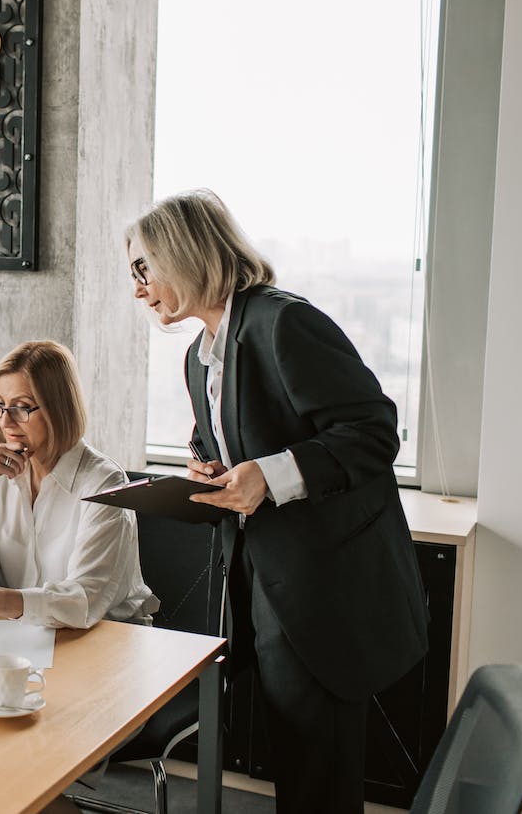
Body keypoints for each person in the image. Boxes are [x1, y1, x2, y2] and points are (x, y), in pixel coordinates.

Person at [125, 189, 427, 813]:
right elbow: (229, 430)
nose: (138, 289)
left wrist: (268, 474)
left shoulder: (284, 321)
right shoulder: (197, 355)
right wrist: (204, 463)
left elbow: (373, 431)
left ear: (180, 254)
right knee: (297, 757)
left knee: (320, 771)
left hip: (324, 588)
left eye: (141, 268)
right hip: (261, 581)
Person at [0, 341, 157, 629]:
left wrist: (2, 602)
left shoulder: (104, 483)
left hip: (104, 640)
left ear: (59, 408)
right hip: (23, 637)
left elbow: (84, 599)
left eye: (22, 407)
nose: (6, 421)